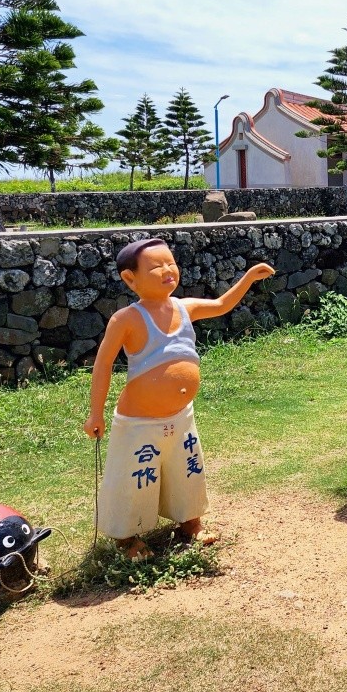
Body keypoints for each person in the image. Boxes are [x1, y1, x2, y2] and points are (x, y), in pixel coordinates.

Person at [84, 238, 274, 560]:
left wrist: (249, 278)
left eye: (170, 263)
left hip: (180, 416)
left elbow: (222, 305)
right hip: (139, 422)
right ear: (130, 279)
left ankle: (191, 523)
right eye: (156, 266)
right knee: (135, 477)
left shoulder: (184, 308)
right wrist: (95, 414)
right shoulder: (126, 319)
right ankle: (127, 536)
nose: (167, 270)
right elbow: (102, 365)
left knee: (187, 469)